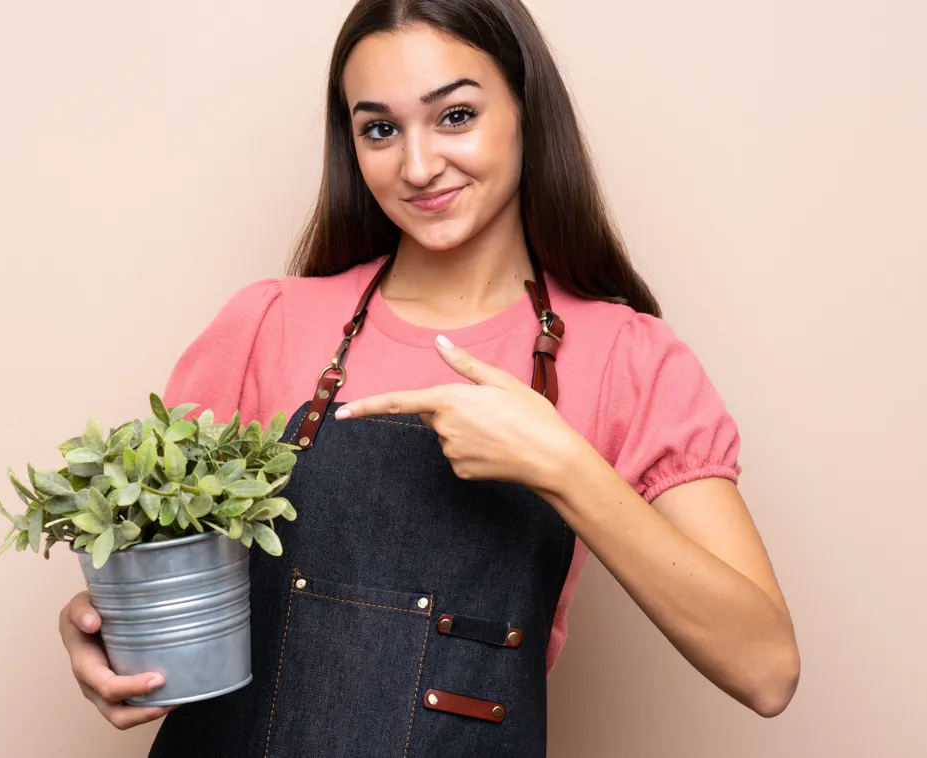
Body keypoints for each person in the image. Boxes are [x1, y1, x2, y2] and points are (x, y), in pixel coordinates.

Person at [58, 0, 800, 754]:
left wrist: (564, 466)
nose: (417, 166)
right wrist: (98, 630)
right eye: (379, 129)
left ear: (525, 108)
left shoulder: (627, 357)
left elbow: (765, 670)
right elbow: (155, 572)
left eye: (454, 117)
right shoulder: (268, 323)